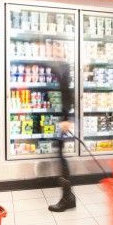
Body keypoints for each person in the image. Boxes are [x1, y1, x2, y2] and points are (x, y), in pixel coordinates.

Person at [48, 72, 76, 212]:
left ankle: (67, 198)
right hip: (59, 117)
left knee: (61, 157)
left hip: (62, 119)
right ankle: (69, 197)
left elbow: (67, 91)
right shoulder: (57, 65)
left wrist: (66, 117)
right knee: (60, 156)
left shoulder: (61, 65)